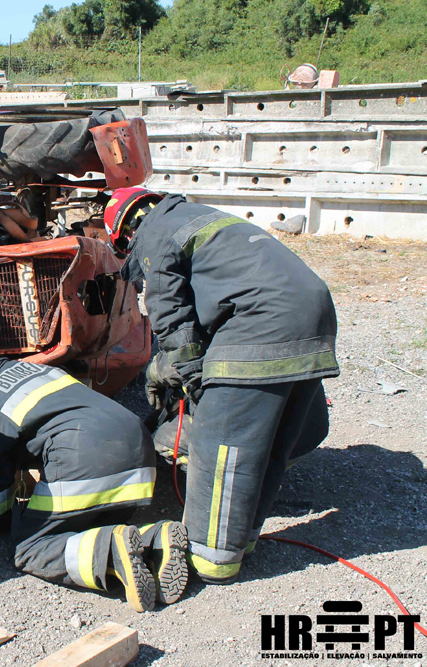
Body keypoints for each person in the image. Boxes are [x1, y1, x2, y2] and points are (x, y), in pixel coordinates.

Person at [104, 187, 339, 584]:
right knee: (271, 440)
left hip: (262, 323)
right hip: (312, 315)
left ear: (128, 234)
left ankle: (209, 559)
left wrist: (196, 385)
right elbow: (217, 304)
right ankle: (243, 538)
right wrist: (173, 370)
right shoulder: (201, 217)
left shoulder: (155, 232)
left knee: (222, 443)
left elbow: (172, 321)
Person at [0, 343, 189, 612]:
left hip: (88, 462)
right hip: (139, 455)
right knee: (80, 532)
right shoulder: (35, 369)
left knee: (30, 548)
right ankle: (155, 540)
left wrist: (4, 519)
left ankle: (111, 552)